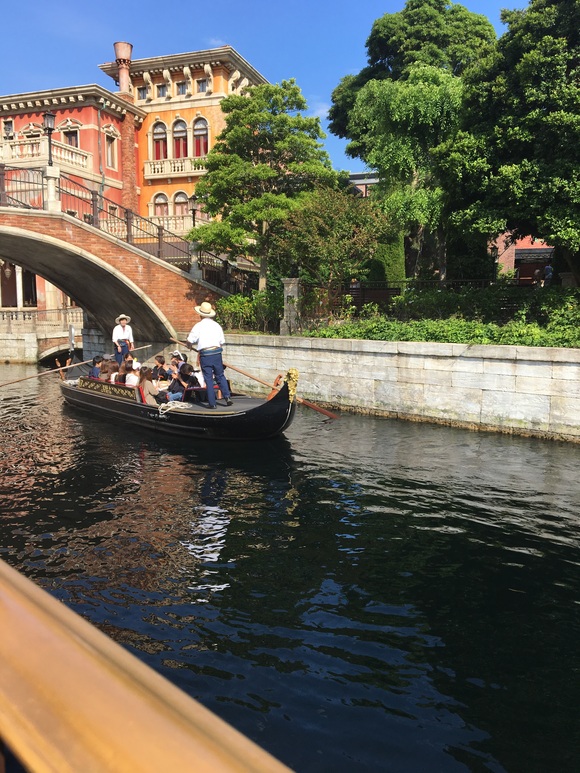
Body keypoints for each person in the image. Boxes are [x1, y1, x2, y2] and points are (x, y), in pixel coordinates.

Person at [186, 301, 233, 409]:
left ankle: (212, 403)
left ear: (200, 314)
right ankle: (227, 397)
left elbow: (190, 340)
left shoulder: (198, 326)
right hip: (217, 353)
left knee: (208, 379)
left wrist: (188, 345)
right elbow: (221, 342)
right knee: (220, 375)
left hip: (206, 355)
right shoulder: (217, 325)